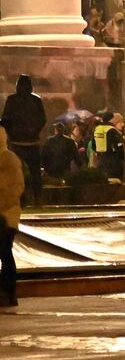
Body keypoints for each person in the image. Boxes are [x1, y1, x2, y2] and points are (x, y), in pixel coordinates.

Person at [2, 76, 47, 206]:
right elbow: (42, 119)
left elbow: (6, 119)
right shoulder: (36, 100)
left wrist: (10, 133)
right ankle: (38, 198)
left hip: (16, 143)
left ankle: (20, 199)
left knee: (16, 173)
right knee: (35, 173)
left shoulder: (12, 100)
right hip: (33, 142)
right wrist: (35, 131)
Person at [0, 129, 22, 310]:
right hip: (7, 214)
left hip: (5, 216)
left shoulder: (8, 159)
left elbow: (15, 188)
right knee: (5, 253)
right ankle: (7, 292)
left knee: (5, 253)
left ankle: (8, 291)